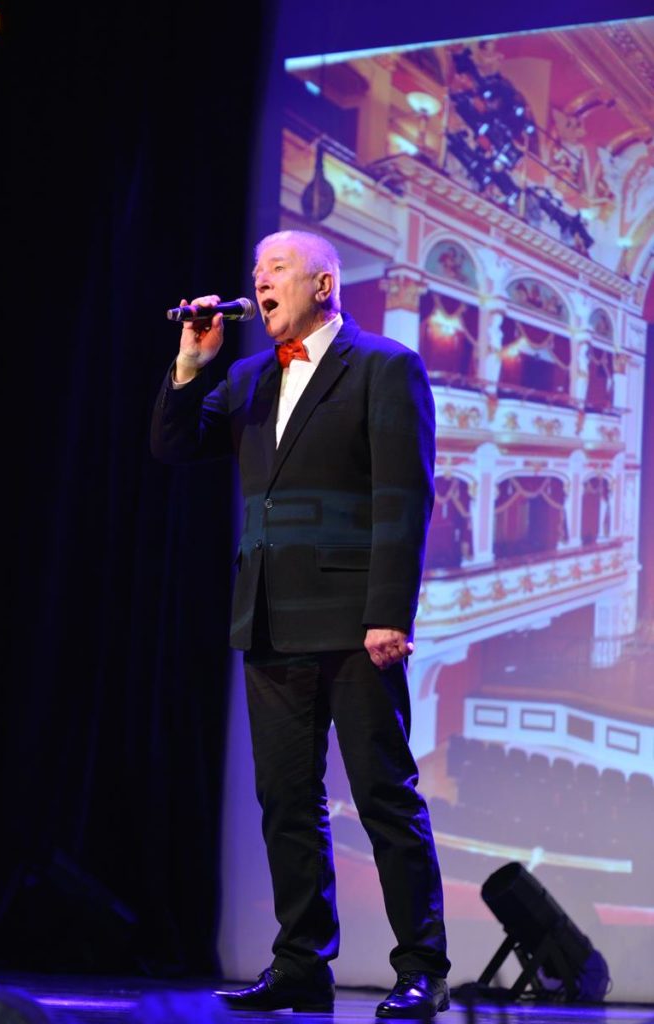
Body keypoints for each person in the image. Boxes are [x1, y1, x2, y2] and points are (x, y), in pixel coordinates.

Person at [150, 229, 450, 1019]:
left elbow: (404, 494)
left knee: (383, 796)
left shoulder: (382, 365)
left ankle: (422, 967)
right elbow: (172, 444)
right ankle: (300, 964)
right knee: (286, 800)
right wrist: (191, 362)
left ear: (322, 284)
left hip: (354, 621)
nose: (259, 281)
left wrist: (388, 612)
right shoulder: (248, 376)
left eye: (275, 269)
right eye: (256, 271)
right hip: (270, 617)